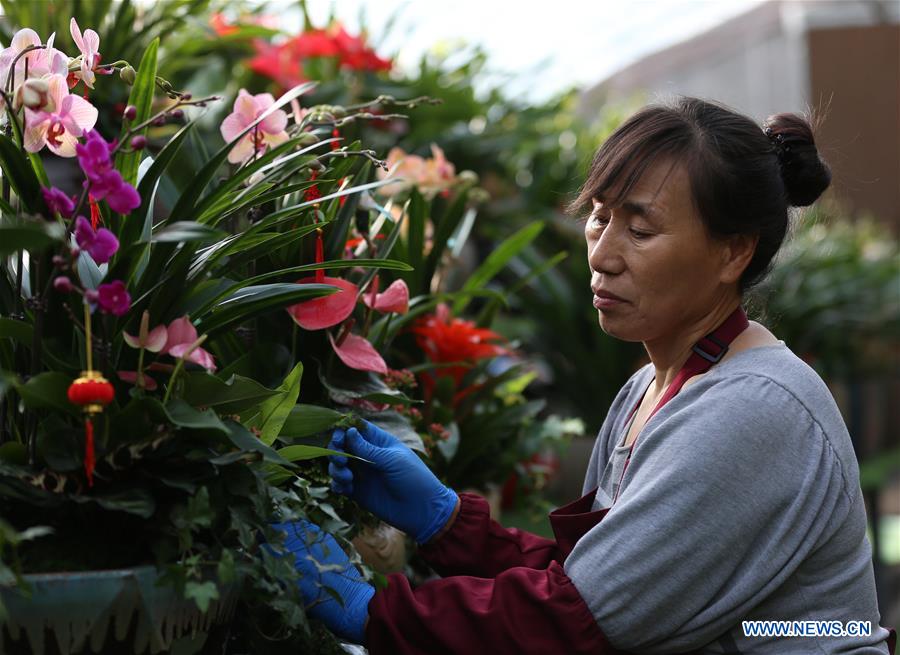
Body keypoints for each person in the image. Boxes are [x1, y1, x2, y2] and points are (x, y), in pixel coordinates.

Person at [274, 97, 896, 654]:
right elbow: (599, 581)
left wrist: (375, 615)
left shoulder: (753, 407)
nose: (601, 254)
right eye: (599, 218)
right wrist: (447, 524)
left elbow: (578, 621)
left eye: (641, 229)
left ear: (734, 250)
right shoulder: (645, 390)